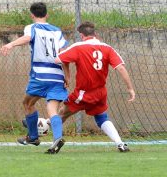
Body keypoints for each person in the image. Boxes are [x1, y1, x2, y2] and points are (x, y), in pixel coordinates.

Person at [55, 21, 136, 152]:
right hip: (100, 93)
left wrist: (67, 73)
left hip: (83, 93)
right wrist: (130, 89)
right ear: (95, 34)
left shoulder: (78, 47)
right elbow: (120, 67)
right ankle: (120, 144)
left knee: (61, 114)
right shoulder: (107, 48)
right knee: (101, 117)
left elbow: (59, 59)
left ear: (81, 35)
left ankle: (44, 133)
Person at [0, 2, 69, 154]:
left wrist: (11, 45)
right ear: (47, 14)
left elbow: (28, 37)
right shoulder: (57, 31)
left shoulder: (32, 28)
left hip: (40, 75)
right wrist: (67, 76)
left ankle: (33, 137)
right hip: (58, 76)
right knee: (52, 109)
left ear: (32, 15)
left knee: (27, 103)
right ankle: (57, 137)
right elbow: (64, 54)